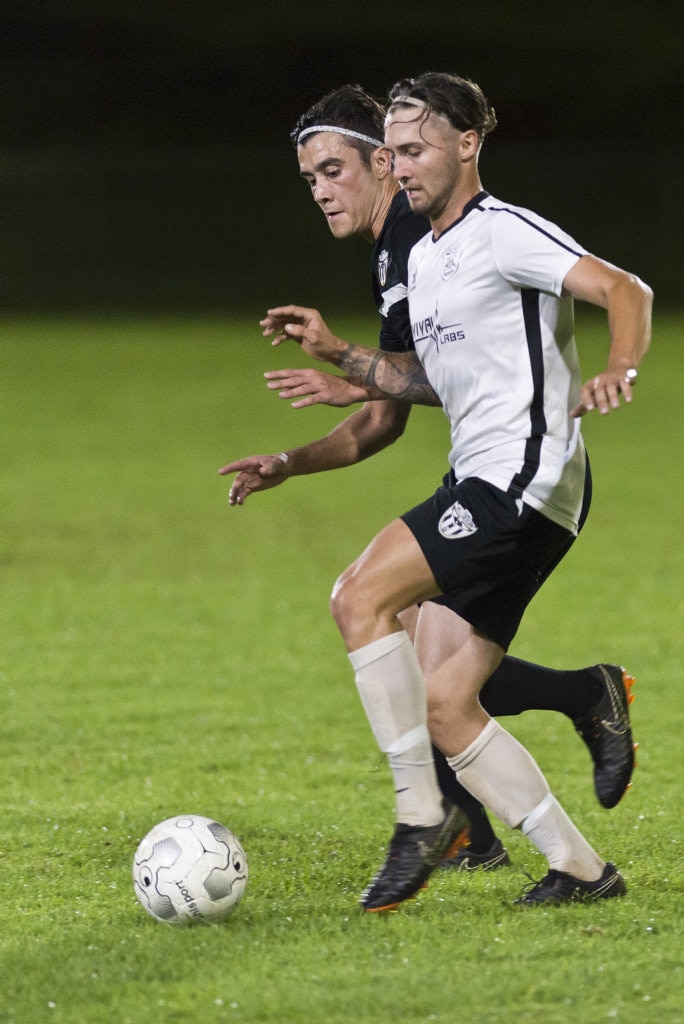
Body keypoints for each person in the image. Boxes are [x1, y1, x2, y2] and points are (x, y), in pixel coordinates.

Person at [220, 85, 639, 886]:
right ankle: (576, 862)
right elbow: (401, 404)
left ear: (386, 161)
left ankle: (429, 817)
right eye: (310, 178)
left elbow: (612, 293)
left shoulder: (444, 231)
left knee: (360, 600)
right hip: (507, 473)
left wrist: (352, 364)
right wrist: (296, 453)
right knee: (436, 691)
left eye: (336, 168)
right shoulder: (409, 253)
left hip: (520, 473)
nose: (322, 190)